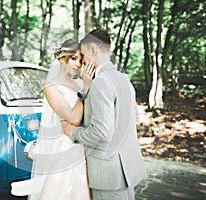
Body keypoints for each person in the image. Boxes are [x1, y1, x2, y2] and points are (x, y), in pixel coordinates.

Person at [62, 29, 147, 200]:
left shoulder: (100, 82)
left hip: (108, 175)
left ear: (93, 50)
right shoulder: (124, 79)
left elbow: (101, 132)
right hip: (127, 171)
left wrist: (73, 132)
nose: (83, 62)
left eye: (84, 55)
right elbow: (135, 119)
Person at [11, 39, 94, 200]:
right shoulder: (51, 87)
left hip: (81, 144)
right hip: (64, 148)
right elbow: (73, 118)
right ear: (62, 58)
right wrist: (85, 89)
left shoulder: (78, 84)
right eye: (74, 58)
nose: (78, 65)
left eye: (80, 61)